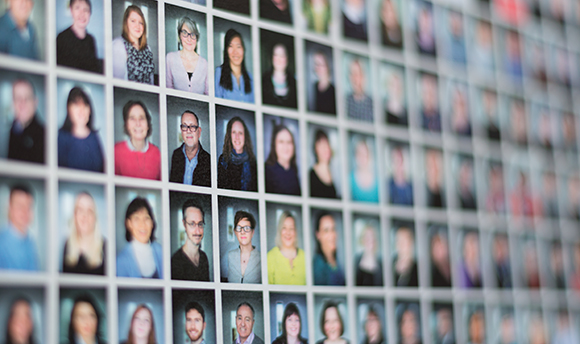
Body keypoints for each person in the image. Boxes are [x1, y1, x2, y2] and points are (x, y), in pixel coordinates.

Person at [57, 86, 104, 172]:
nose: (81, 110)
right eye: (77, 105)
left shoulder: (94, 137)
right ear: (68, 109)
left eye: (85, 105)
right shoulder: (62, 137)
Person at [116, 197, 163, 279]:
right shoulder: (120, 261)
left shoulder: (161, 252)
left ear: (152, 223)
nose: (142, 224)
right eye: (136, 219)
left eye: (146, 218)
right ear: (129, 224)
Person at [114, 100, 161, 180]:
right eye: (132, 118)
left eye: (141, 118)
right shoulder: (116, 151)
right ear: (127, 124)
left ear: (148, 124)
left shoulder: (157, 153)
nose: (138, 123)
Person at [62, 192, 105, 275]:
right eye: (80, 210)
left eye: (90, 211)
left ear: (95, 217)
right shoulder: (67, 245)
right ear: (74, 216)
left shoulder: (106, 247)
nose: (85, 215)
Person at [0, 184, 39, 271]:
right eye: (20, 206)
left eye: (29, 206)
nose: (25, 211)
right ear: (10, 208)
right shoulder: (1, 243)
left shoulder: (30, 243)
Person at [166, 17, 208, 95]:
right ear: (179, 36)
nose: (189, 39)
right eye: (185, 33)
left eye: (192, 34)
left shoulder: (205, 64)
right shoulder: (170, 58)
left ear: (197, 38)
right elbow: (167, 91)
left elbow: (208, 94)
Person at [112, 5, 154, 84]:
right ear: (126, 23)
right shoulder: (118, 45)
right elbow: (118, 84)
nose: (138, 26)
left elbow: (151, 81)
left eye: (141, 23)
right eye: (133, 21)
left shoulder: (148, 48)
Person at [56, 0, 100, 72]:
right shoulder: (62, 38)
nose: (82, 14)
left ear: (90, 13)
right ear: (71, 11)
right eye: (77, 8)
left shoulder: (91, 40)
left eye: (85, 10)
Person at [7, 78, 45, 164]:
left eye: (27, 98)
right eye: (18, 98)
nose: (22, 103)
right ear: (13, 103)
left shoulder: (44, 136)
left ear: (35, 102)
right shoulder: (10, 132)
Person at [171, 199, 210, 281]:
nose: (198, 231)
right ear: (184, 224)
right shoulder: (175, 262)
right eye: (192, 224)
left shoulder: (203, 257)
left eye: (200, 224)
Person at [170, 110, 211, 187]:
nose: (188, 131)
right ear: (181, 131)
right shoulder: (176, 155)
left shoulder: (208, 160)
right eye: (184, 126)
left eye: (192, 126)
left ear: (199, 132)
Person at [218, 117, 257, 191]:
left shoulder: (253, 163)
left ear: (245, 137)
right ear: (229, 135)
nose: (237, 137)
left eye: (240, 133)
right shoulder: (223, 161)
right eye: (234, 132)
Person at [267, 211, 306, 285]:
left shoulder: (305, 257)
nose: (288, 232)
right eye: (284, 228)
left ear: (295, 231)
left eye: (291, 228)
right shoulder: (270, 257)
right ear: (279, 230)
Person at [215, 29, 254, 103]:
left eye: (238, 46)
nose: (235, 52)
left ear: (243, 50)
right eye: (231, 46)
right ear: (226, 50)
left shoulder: (250, 78)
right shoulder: (219, 73)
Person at [265, 124, 301, 196]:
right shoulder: (266, 171)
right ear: (274, 145)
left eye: (289, 142)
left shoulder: (294, 171)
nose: (286, 146)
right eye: (281, 142)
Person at [226, 211, 261, 283]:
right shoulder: (230, 256)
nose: (242, 232)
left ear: (252, 232)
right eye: (239, 228)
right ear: (235, 232)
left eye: (247, 228)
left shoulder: (261, 258)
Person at [313, 212, 345, 286]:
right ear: (318, 235)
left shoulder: (336, 261)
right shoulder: (318, 265)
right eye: (326, 230)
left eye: (333, 229)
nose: (332, 235)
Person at [262, 43, 297, 108]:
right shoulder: (263, 81)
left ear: (287, 58)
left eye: (282, 55)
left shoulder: (295, 84)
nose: (279, 59)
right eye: (276, 55)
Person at [310, 129, 337, 198]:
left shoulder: (336, 174)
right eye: (321, 145)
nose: (325, 149)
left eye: (326, 144)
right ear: (315, 149)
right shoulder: (311, 175)